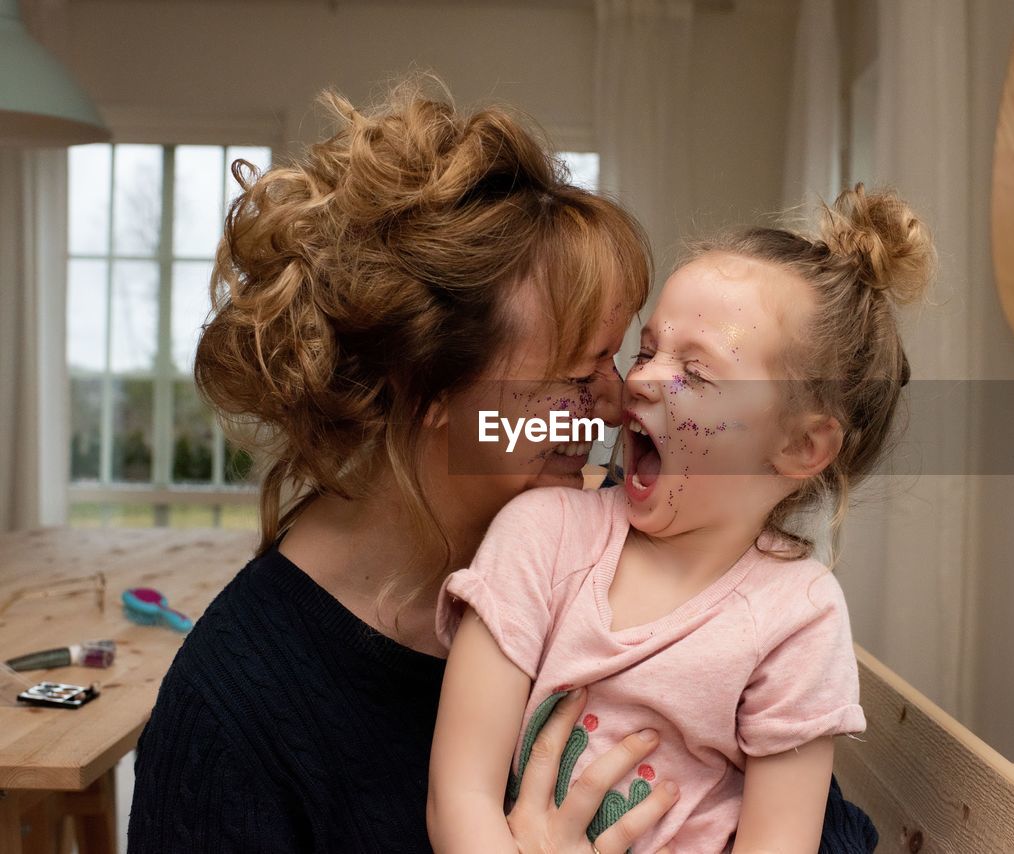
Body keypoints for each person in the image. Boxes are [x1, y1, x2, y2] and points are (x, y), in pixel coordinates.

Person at [125, 81, 877, 854]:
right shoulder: (230, 721)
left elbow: (816, 828)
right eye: (580, 378)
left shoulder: (632, 559)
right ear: (429, 395)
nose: (620, 406)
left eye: (621, 360)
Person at [429, 185, 934, 853]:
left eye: (694, 371)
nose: (638, 381)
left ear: (800, 446)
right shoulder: (539, 536)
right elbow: (458, 795)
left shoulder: (800, 619)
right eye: (647, 350)